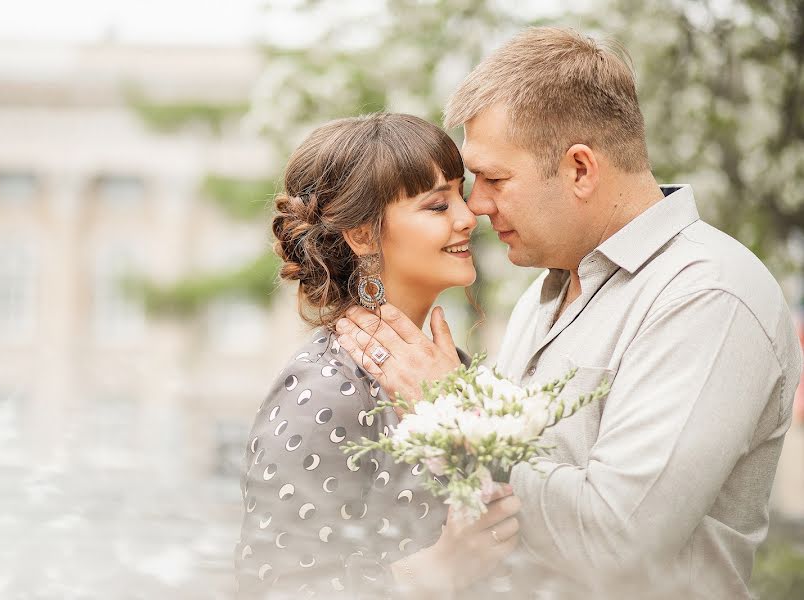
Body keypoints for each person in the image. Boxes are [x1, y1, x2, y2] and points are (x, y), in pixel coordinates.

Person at [336, 27, 803, 599]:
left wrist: (457, 413)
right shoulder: (549, 290)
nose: (476, 206)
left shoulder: (705, 297)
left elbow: (616, 545)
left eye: (495, 178)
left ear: (581, 169)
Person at [235, 113, 522, 599]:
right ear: (363, 234)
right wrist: (433, 572)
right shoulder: (324, 388)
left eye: (460, 192)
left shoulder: (456, 369)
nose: (468, 216)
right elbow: (272, 587)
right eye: (437, 204)